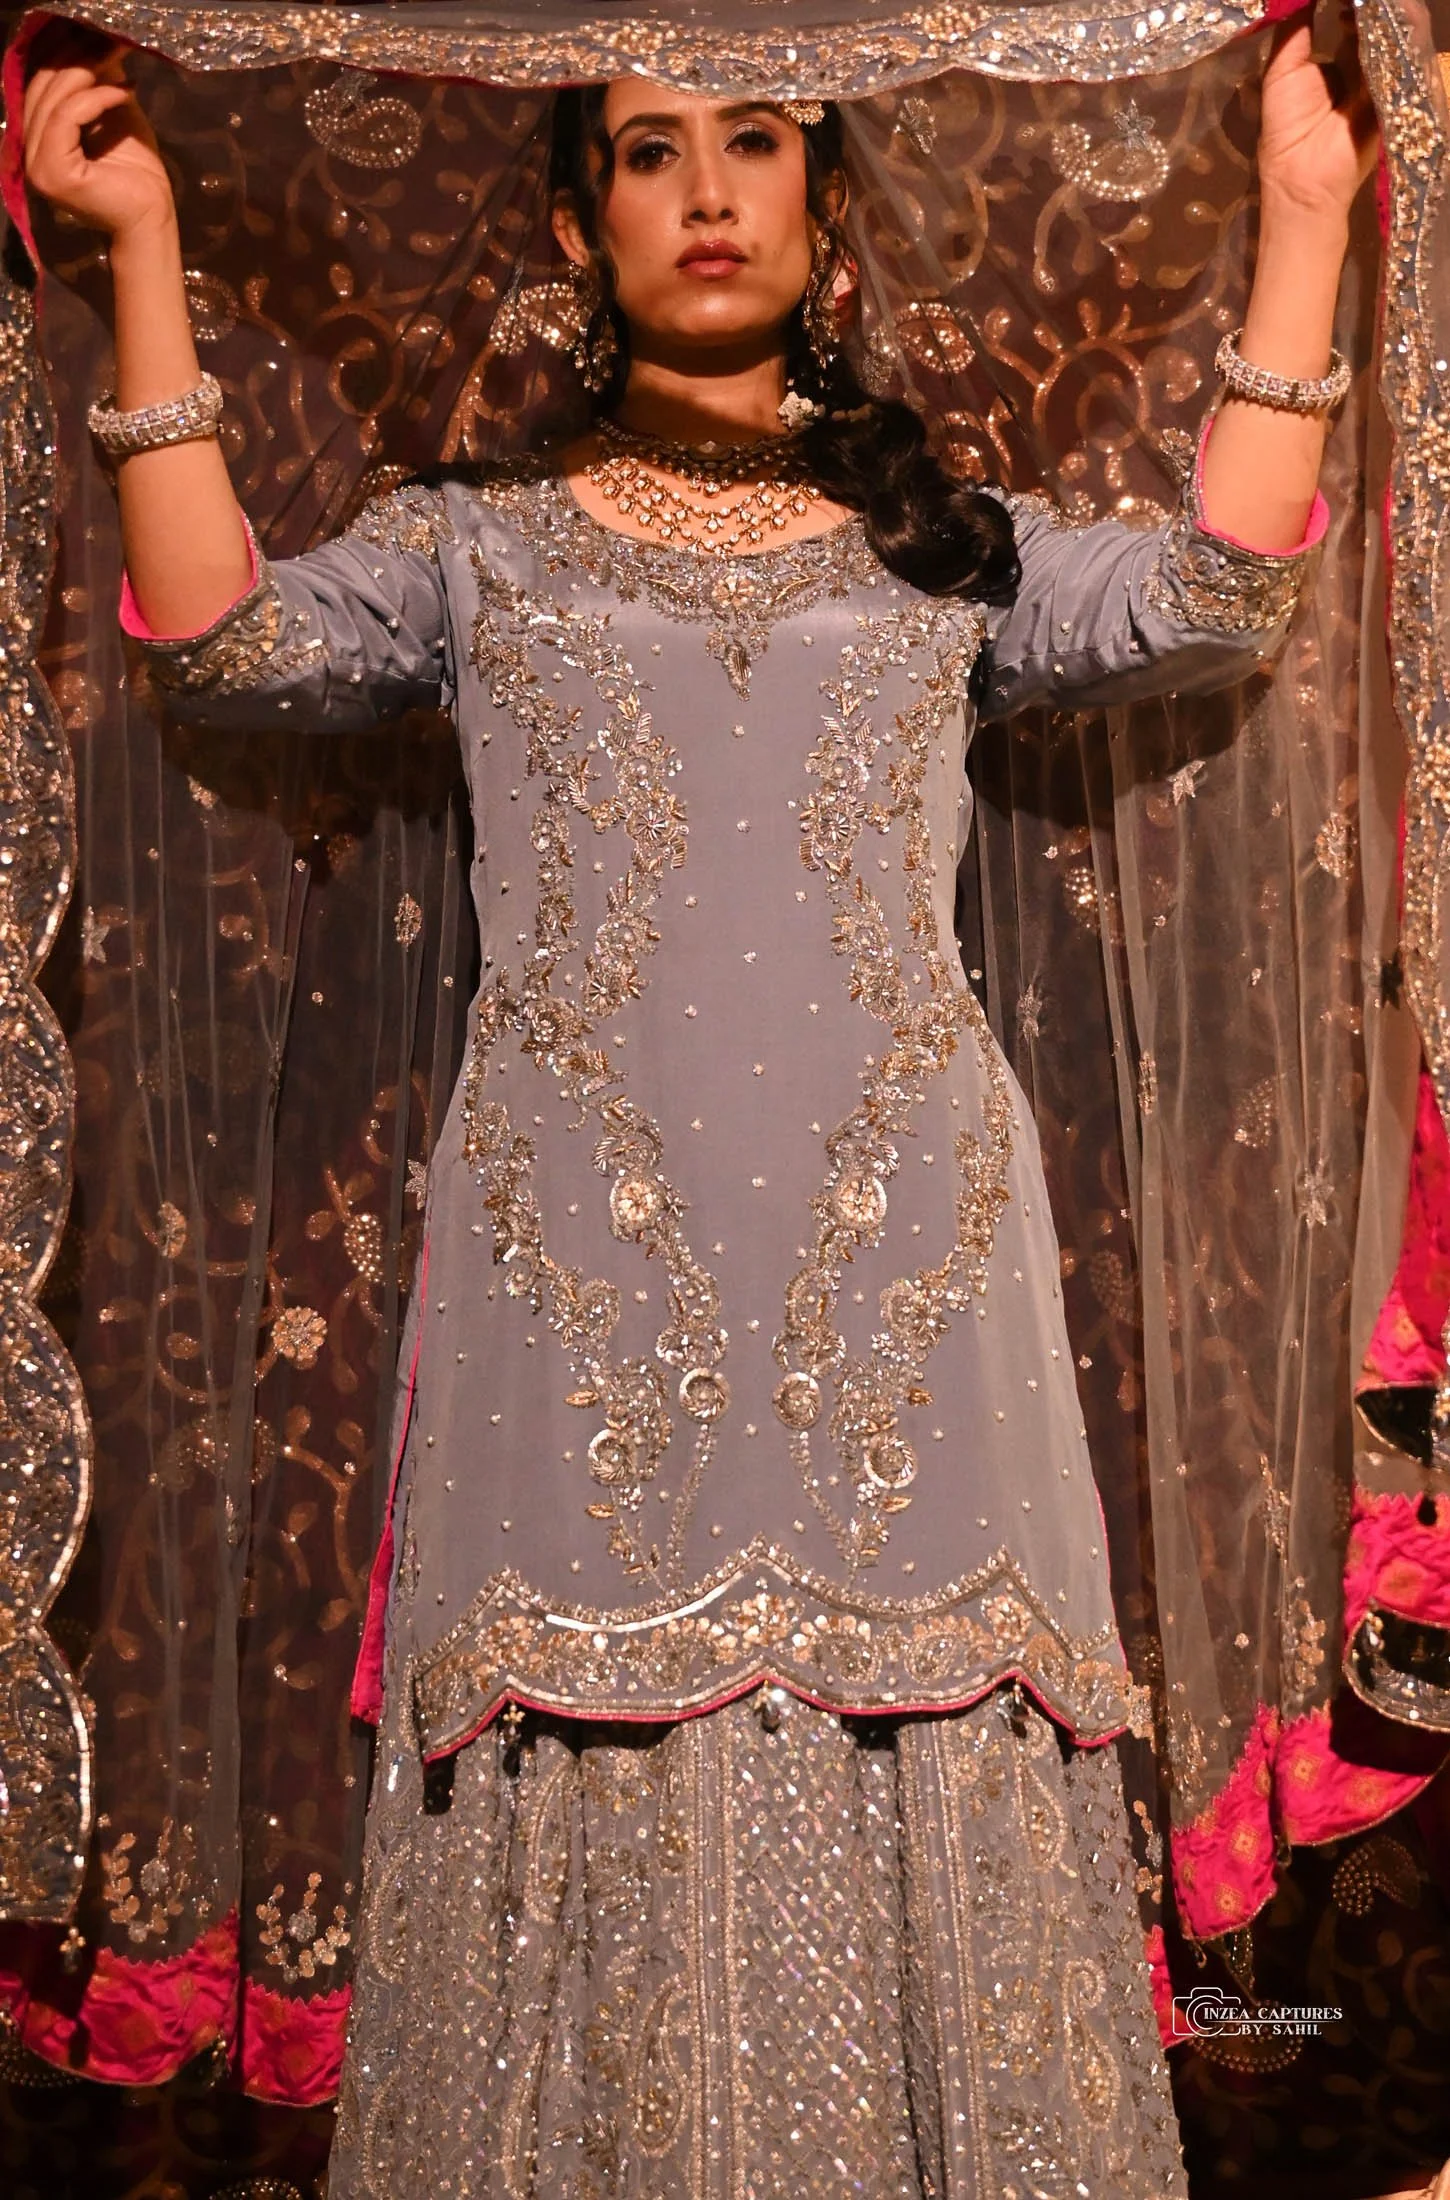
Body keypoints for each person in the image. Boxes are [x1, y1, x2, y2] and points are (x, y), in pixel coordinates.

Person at [24, 26, 1375, 2197]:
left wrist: (1300, 210)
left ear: (827, 221)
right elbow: (223, 647)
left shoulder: (938, 546)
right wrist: (145, 244)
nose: (708, 190)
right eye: (651, 155)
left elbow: (1214, 590)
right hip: (586, 1289)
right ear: (582, 224)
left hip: (908, 1284)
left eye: (754, 145)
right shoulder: (478, 549)